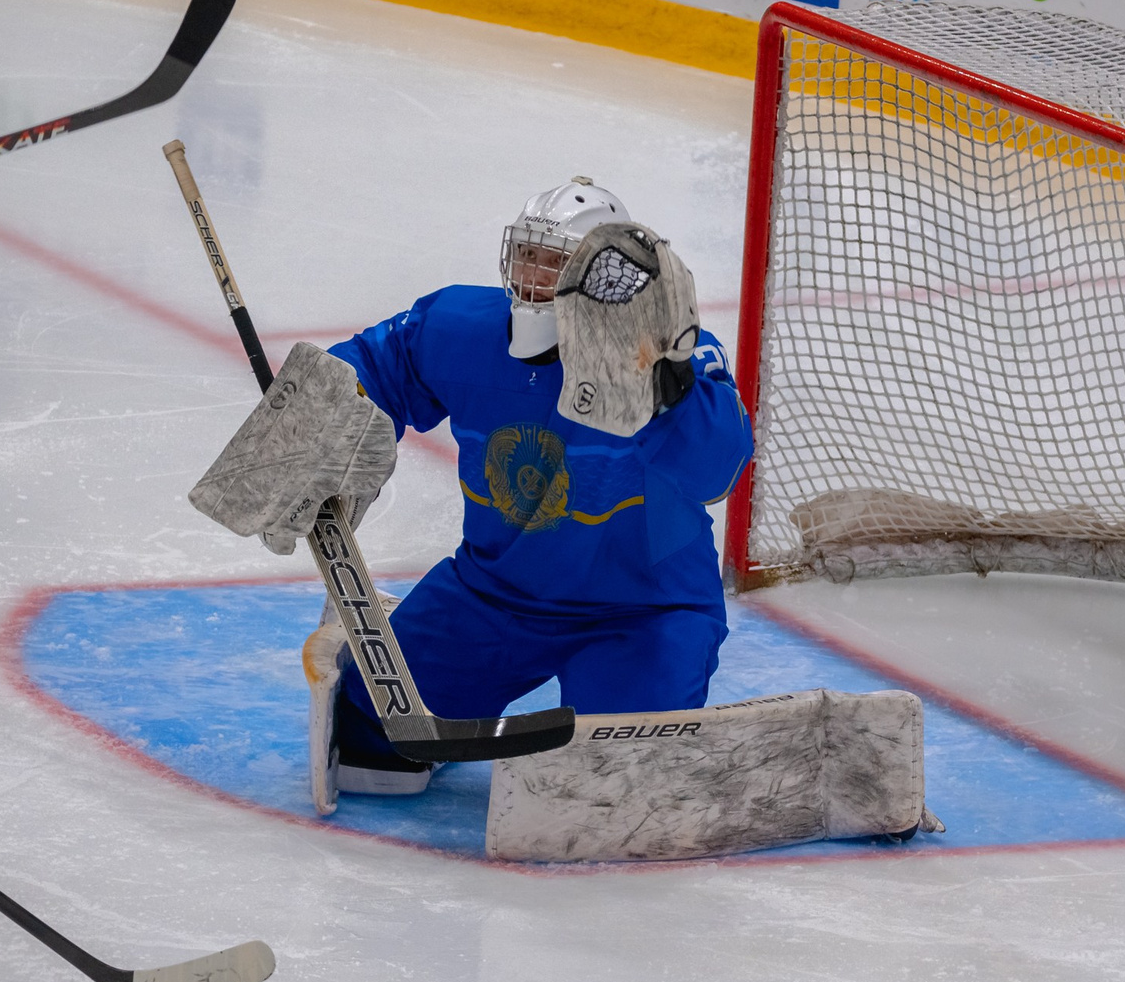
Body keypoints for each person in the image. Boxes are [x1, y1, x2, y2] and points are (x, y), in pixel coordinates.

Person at [192, 177, 752, 800]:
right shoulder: (463, 328)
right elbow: (380, 367)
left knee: (613, 785)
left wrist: (666, 390)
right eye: (528, 254)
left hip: (645, 614)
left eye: (555, 262)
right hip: (495, 596)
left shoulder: (666, 357)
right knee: (372, 735)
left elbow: (717, 470)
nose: (533, 276)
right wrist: (312, 425)